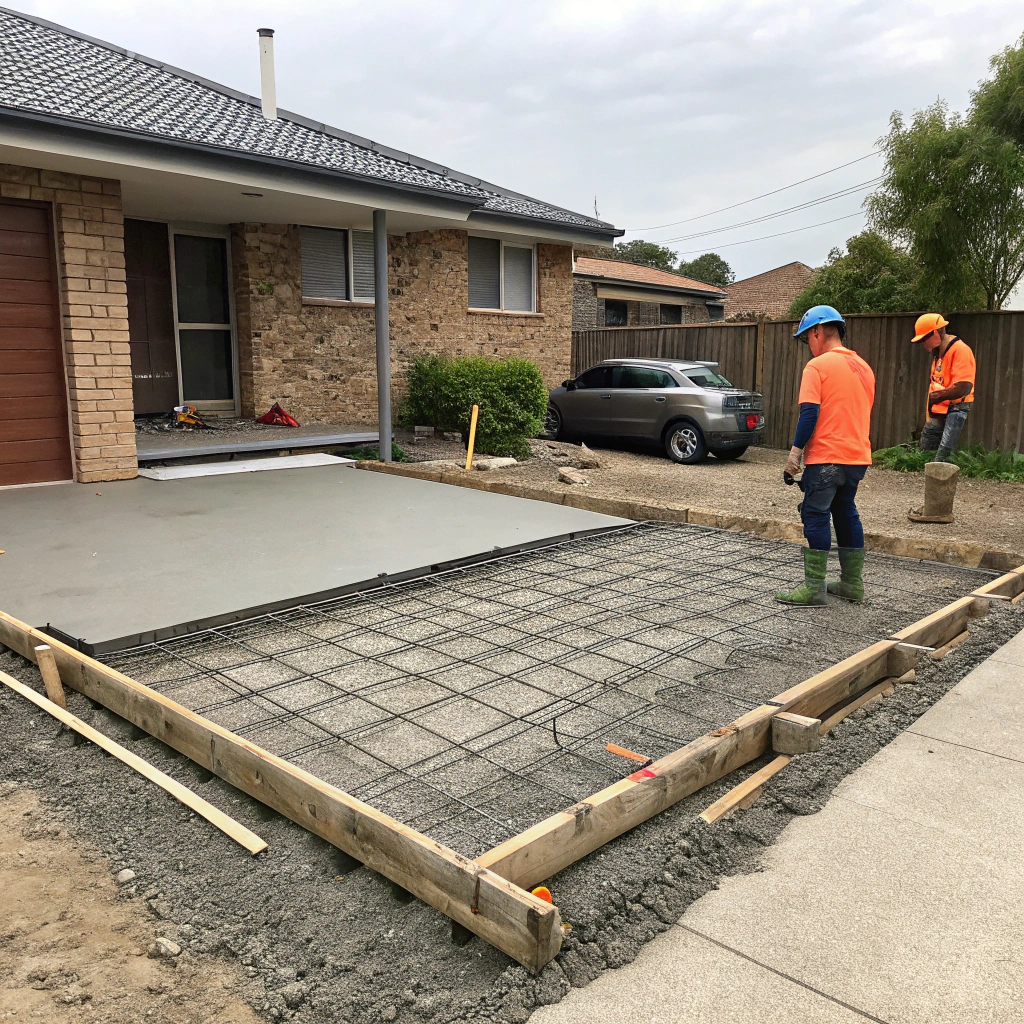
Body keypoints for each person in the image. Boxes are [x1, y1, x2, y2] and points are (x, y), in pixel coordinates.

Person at [777, 305, 875, 606]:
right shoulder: (863, 367)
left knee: (815, 514)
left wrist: (795, 452)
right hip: (856, 457)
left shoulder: (817, 367)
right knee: (845, 512)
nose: (809, 344)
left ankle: (814, 588)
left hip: (827, 457)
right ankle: (851, 585)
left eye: (808, 338)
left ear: (818, 332)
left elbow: (809, 413)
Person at [911, 313, 975, 462]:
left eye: (924, 339)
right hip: (939, 409)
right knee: (924, 453)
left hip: (956, 408)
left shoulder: (960, 350)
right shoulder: (938, 353)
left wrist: (936, 396)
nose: (923, 343)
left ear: (935, 332)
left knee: (943, 457)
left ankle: (942, 481)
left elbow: (964, 386)